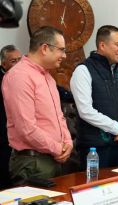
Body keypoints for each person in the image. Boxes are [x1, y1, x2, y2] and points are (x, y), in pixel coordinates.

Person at [1, 26, 73, 185]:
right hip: (33, 163)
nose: (64, 55)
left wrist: (68, 142)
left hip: (55, 159)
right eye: (61, 50)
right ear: (45, 48)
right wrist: (57, 148)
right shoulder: (19, 76)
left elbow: (59, 117)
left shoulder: (48, 78)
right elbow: (26, 128)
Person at [70, 25, 118, 169]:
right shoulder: (83, 70)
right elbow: (85, 111)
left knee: (117, 189)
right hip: (94, 149)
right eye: (117, 44)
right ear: (102, 45)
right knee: (93, 189)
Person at [0, 44, 21, 189]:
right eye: (14, 61)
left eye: (20, 60)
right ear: (3, 63)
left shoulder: (25, 76)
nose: (18, 64)